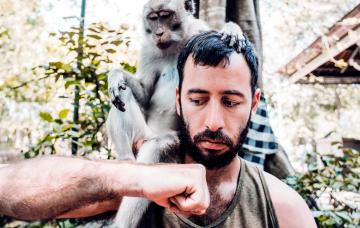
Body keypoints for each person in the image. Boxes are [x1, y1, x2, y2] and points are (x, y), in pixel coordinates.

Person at [1, 31, 316, 227]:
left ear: (254, 103)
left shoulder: (280, 208)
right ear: (178, 100)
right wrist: (138, 178)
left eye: (231, 102)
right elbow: (8, 187)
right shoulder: (138, 185)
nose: (213, 122)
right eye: (198, 99)